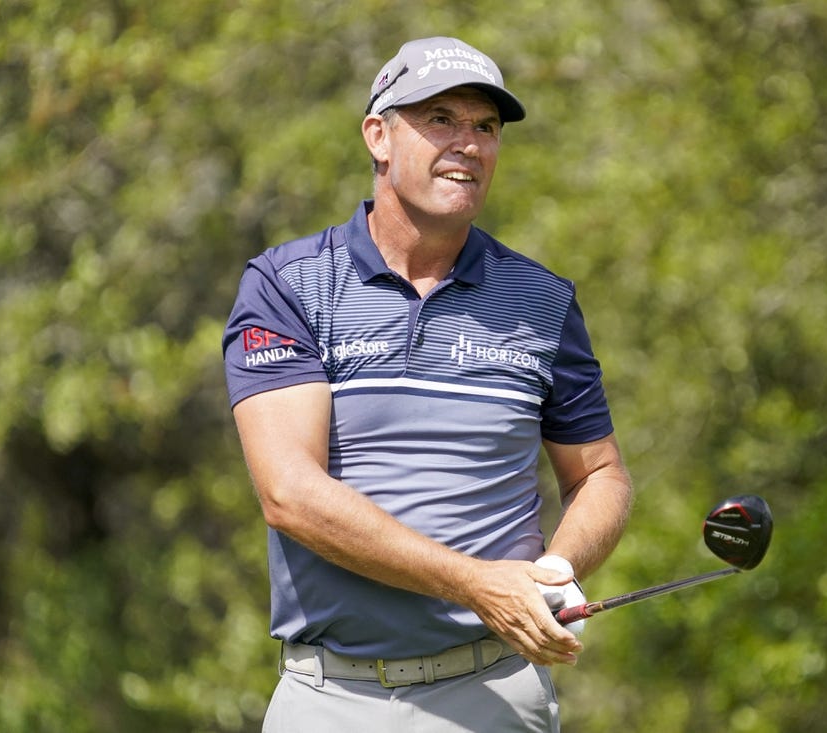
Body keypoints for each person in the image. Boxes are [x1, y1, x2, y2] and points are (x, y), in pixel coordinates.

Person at [222, 36, 633, 732]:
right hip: (330, 697)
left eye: (486, 126)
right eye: (440, 119)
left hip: (494, 692)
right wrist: (477, 584)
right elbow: (289, 493)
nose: (467, 143)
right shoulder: (287, 285)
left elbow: (600, 473)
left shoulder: (544, 300)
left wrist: (555, 569)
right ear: (378, 136)